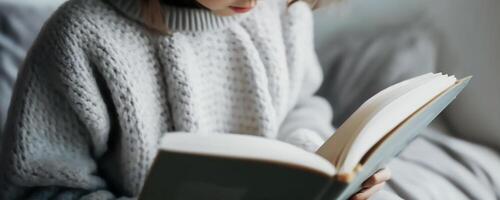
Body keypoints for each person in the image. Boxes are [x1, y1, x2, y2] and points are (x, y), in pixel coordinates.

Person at [0, 0, 390, 199]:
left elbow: (301, 103)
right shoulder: (81, 37)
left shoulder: (282, 11)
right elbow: (40, 189)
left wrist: (322, 170)